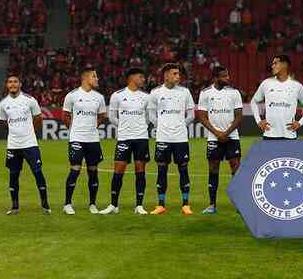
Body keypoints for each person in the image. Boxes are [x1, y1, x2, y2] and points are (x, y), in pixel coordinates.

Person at [100, 68, 151, 215]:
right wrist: (124, 127)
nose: (143, 80)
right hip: (124, 138)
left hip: (141, 138)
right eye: (141, 77)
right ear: (132, 78)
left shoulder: (146, 97)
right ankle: (113, 205)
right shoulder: (117, 95)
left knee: (140, 170)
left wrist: (140, 127)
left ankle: (139, 206)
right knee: (118, 170)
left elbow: (148, 117)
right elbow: (112, 117)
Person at [0, 74, 51, 215]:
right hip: (13, 145)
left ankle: (45, 203)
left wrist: (31, 131)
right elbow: (3, 122)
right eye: (10, 82)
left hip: (30, 144)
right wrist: (14, 131)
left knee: (38, 173)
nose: (12, 84)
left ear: (20, 84)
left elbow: (38, 118)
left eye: (15, 82)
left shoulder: (29, 100)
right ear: (7, 85)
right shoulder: (3, 103)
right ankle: (15, 206)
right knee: (13, 175)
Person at [148, 63, 196, 215]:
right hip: (163, 138)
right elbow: (151, 115)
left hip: (180, 138)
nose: (178, 76)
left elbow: (191, 115)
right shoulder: (155, 92)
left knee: (183, 169)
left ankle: (186, 204)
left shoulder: (185, 92)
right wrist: (162, 126)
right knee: (162, 170)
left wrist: (181, 125)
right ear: (166, 75)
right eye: (174, 73)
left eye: (178, 73)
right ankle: (161, 205)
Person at [197, 66, 243, 215]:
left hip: (232, 137)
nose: (228, 78)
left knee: (236, 170)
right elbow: (202, 117)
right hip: (213, 138)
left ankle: (239, 204)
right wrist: (217, 133)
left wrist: (226, 133)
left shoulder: (234, 93)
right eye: (224, 76)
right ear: (216, 78)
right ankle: (212, 205)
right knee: (213, 170)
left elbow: (239, 117)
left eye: (228, 75)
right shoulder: (205, 93)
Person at [62, 68, 107, 215]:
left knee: (93, 171)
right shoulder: (72, 95)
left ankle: (92, 204)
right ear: (86, 78)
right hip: (77, 138)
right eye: (95, 76)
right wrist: (74, 129)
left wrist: (94, 126)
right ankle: (67, 204)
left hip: (93, 139)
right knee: (75, 169)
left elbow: (102, 115)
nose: (97, 79)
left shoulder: (99, 97)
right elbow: (65, 115)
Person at [250, 55, 303, 140]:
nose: (272, 66)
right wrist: (258, 121)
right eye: (272, 64)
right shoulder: (266, 83)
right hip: (269, 135)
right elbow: (253, 102)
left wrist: (300, 123)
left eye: (275, 63)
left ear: (284, 65)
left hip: (290, 135)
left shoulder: (296, 86)